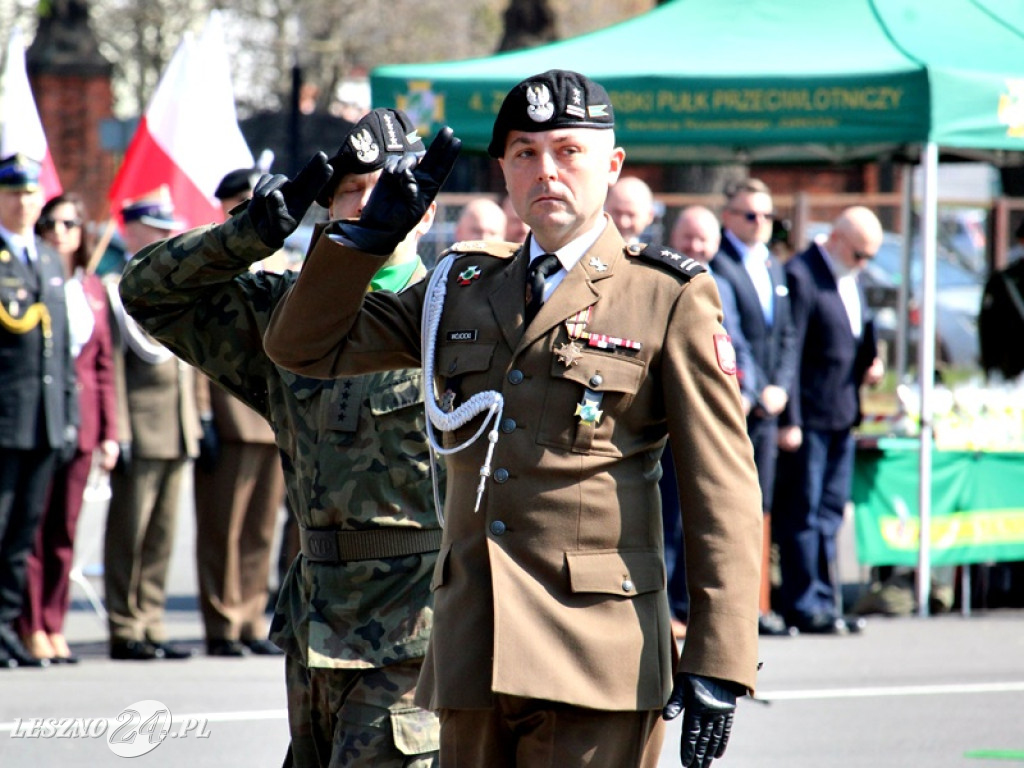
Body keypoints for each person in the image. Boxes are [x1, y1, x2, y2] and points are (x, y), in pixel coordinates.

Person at [263, 69, 762, 768]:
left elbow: (724, 490)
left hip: (593, 656)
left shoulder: (667, 295)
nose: (546, 170)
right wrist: (362, 238)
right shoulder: (460, 285)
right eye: (524, 152)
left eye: (568, 150)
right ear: (501, 169)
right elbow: (301, 346)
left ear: (612, 166)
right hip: (471, 647)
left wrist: (720, 656)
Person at [119, 108, 444, 766]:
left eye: (383, 186)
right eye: (350, 191)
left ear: (425, 209)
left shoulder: (455, 310)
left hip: (417, 628)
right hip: (315, 621)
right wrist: (250, 231)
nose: (367, 203)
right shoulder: (284, 311)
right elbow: (147, 291)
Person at [774, 207, 885, 635]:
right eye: (860, 254)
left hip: (841, 413)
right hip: (810, 416)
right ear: (836, 238)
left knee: (829, 511)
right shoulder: (803, 275)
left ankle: (826, 598)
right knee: (803, 511)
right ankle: (804, 602)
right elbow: (793, 353)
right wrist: (791, 419)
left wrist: (867, 365)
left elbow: (851, 337)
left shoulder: (848, 275)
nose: (864, 264)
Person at [190, 169, 287, 658]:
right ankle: (221, 623)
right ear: (228, 205)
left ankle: (250, 619)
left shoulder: (281, 261)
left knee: (259, 529)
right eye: (247, 202)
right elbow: (189, 347)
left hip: (271, 417)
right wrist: (201, 418)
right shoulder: (211, 261)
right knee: (222, 528)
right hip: (226, 416)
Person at [19, 193, 119, 664]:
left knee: (64, 533)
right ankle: (30, 624)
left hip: (83, 424)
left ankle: (55, 624)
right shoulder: (29, 277)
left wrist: (110, 432)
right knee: (31, 533)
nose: (60, 231)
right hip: (41, 421)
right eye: (51, 223)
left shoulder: (93, 288)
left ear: (82, 233)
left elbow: (102, 366)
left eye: (69, 223)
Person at [104, 187, 199, 661]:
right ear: (130, 228)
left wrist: (195, 424)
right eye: (154, 228)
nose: (164, 236)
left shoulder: (170, 287)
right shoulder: (116, 289)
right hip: (139, 429)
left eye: (167, 228)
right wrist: (118, 429)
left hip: (176, 428)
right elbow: (114, 366)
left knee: (162, 534)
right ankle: (125, 626)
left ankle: (152, 621)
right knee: (130, 534)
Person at [658, 205, 758, 638]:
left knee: (703, 517)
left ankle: (688, 608)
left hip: (716, 419)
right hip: (671, 421)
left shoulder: (723, 282)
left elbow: (737, 342)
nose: (696, 246)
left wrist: (748, 392)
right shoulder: (660, 279)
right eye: (688, 237)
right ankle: (662, 608)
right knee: (665, 521)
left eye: (703, 240)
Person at [711, 178, 798, 637]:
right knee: (732, 508)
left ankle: (760, 605)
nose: (761, 224)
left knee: (761, 507)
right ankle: (738, 609)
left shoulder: (774, 267)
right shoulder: (719, 266)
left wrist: (780, 390)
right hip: (740, 405)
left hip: (769, 408)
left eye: (768, 216)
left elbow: (788, 336)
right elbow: (732, 334)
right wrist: (759, 388)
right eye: (750, 215)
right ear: (729, 218)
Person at [0, 154, 78, 669]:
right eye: (13, 194)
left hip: (45, 419)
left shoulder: (49, 260)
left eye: (31, 194)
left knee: (22, 533)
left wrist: (67, 415)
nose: (24, 203)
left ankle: (6, 626)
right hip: (6, 420)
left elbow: (63, 345)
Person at [605, 175, 656, 243]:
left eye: (631, 215)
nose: (623, 223)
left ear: (650, 216)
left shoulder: (660, 252)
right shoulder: (589, 249)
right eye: (617, 213)